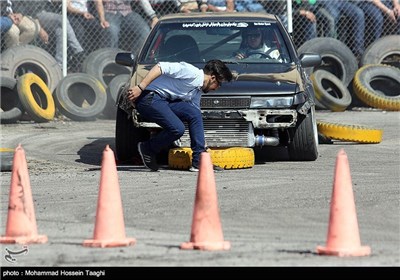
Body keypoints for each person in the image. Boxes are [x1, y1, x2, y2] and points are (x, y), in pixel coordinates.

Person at [125, 60, 233, 172]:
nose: (217, 88)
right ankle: (148, 148)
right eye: (219, 84)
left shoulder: (197, 91)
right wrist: (140, 87)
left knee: (194, 113)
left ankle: (198, 161)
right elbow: (160, 67)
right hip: (149, 98)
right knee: (177, 129)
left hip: (165, 101)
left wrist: (202, 145)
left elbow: (196, 118)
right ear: (213, 78)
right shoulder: (191, 72)